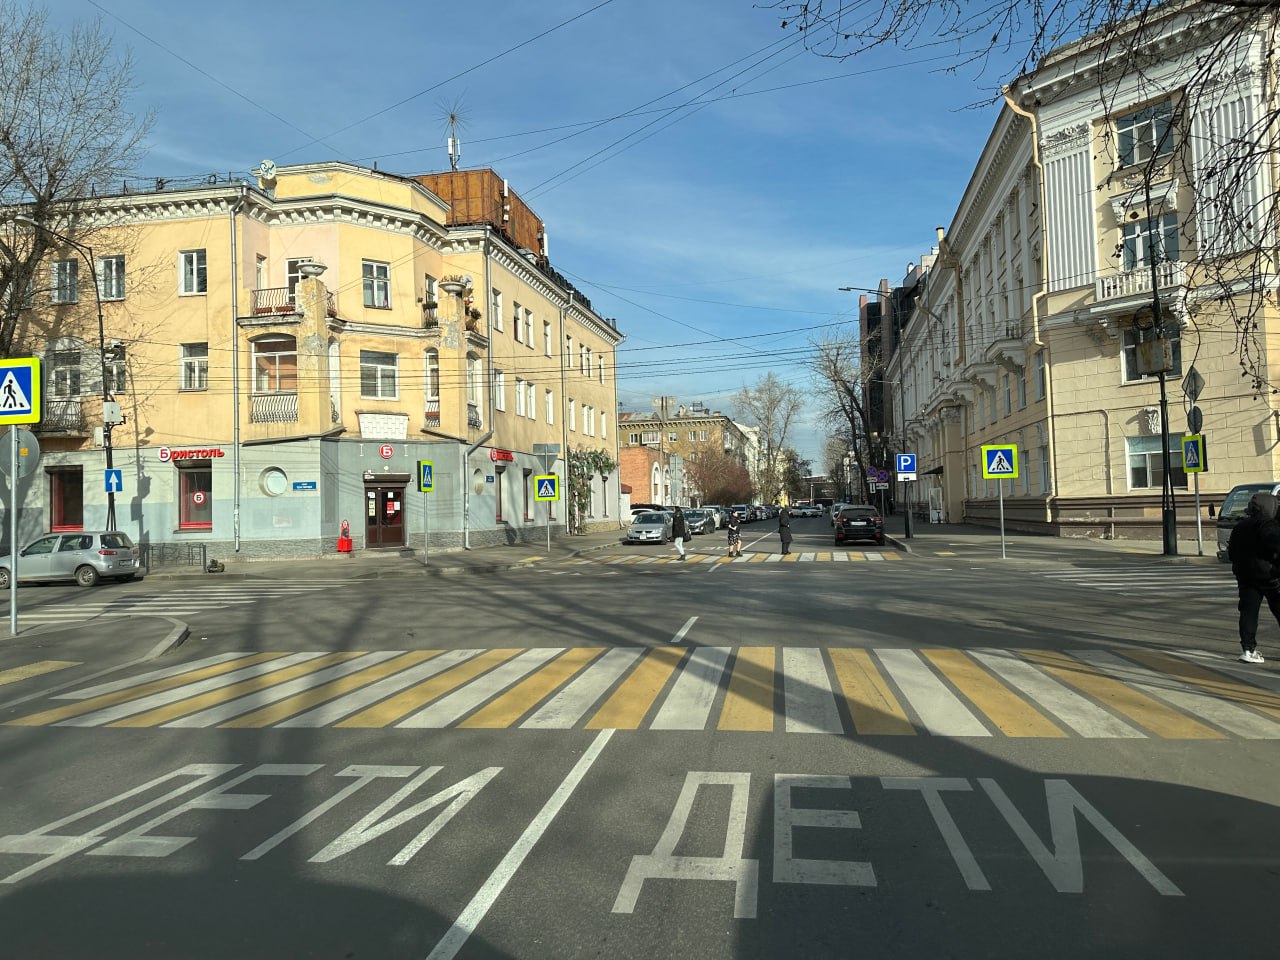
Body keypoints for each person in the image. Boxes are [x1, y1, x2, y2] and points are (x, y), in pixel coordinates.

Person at [1228, 490, 1280, 664]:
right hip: (1270, 577)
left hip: (1246, 577)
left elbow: (1231, 552)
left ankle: (1248, 650)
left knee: (1248, 613)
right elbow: (1275, 546)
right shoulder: (1269, 525)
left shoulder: (1240, 526)